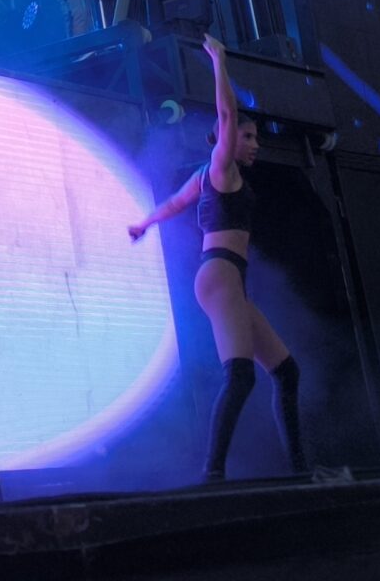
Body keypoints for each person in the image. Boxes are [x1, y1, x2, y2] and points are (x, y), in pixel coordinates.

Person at [126, 34, 307, 479]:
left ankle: (301, 470)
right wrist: (218, 60)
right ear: (226, 139)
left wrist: (144, 224)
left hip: (227, 278)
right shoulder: (221, 167)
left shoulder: (206, 177)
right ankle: (212, 475)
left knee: (286, 372)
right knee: (241, 376)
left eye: (256, 138)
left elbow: (173, 204)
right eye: (248, 136)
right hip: (221, 275)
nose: (255, 144)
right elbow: (226, 113)